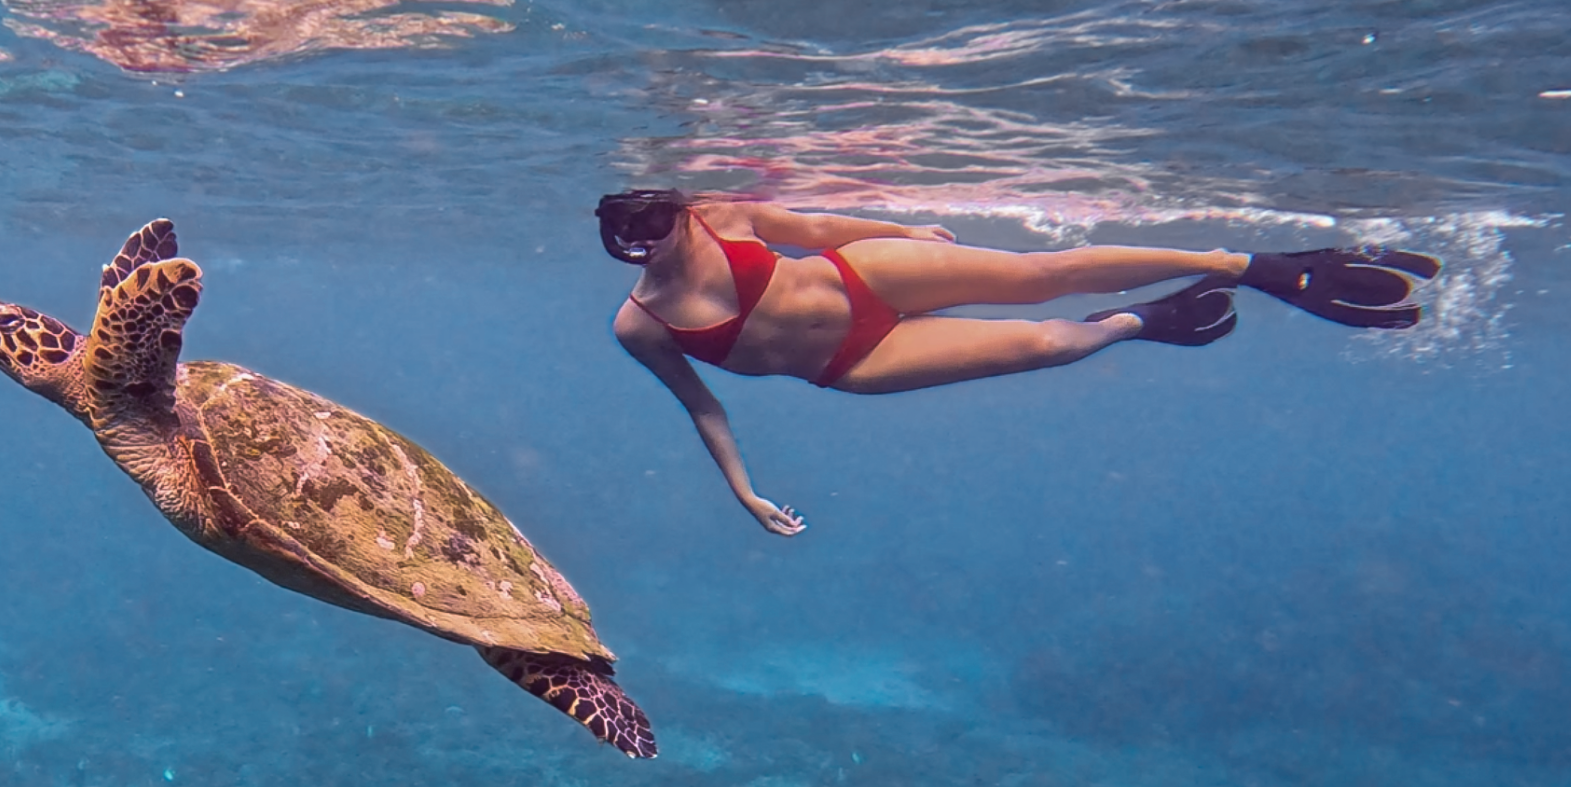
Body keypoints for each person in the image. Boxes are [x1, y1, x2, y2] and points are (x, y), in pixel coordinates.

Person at [598, 189, 1440, 535]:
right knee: (1047, 346)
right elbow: (702, 406)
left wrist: (901, 237)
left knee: (1045, 277)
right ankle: (1136, 322)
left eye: (661, 223)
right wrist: (741, 488)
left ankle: (1247, 265)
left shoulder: (715, 214)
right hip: (856, 358)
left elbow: (816, 232)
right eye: (638, 240)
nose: (658, 242)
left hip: (865, 273)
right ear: (626, 249)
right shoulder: (639, 326)